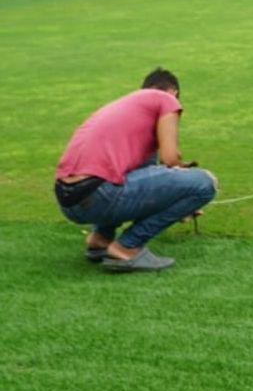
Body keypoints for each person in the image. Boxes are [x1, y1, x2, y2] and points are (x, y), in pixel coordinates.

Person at [55, 68, 217, 272]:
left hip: (67, 199)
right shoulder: (165, 99)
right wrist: (181, 198)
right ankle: (128, 247)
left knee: (144, 161)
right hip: (98, 195)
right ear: (173, 91)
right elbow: (170, 158)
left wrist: (171, 191)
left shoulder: (125, 105)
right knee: (205, 183)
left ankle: (100, 238)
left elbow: (149, 172)